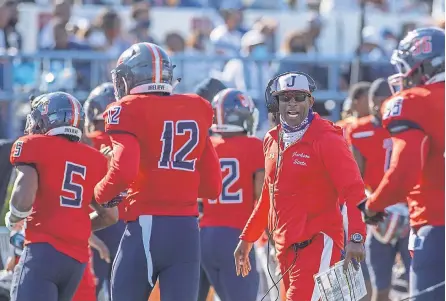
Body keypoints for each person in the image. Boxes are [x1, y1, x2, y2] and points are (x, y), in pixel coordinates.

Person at [93, 42, 222, 301]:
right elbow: (212, 186)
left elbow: (123, 170)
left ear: (129, 78)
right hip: (187, 229)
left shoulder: (127, 108)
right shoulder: (195, 107)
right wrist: (174, 183)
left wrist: (100, 193)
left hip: (147, 226)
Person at [234, 72, 367, 301]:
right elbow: (268, 195)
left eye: (298, 97)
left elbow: (354, 190)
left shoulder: (327, 138)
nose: (292, 103)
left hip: (318, 243)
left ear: (310, 101)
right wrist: (247, 239)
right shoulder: (272, 139)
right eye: (285, 98)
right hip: (285, 250)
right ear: (277, 103)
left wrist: (356, 237)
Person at [5, 92, 119, 301]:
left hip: (42, 252)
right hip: (76, 262)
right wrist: (75, 225)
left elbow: (23, 200)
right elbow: (111, 215)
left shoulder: (33, 145)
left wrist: (13, 218)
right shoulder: (93, 158)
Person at [360, 27, 445, 301]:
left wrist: (374, 205)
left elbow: (402, 175)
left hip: (437, 225)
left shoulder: (414, 102)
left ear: (424, 67)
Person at [346, 78, 411, 301]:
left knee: (417, 284)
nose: (380, 105)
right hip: (378, 212)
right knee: (379, 287)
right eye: (377, 100)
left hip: (409, 210)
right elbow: (356, 178)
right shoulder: (357, 130)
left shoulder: (407, 124)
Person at [200, 88, 262, 301]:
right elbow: (261, 195)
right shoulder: (255, 146)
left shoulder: (206, 146)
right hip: (237, 236)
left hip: (204, 235)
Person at [83, 82, 126, 301]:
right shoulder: (132, 141)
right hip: (131, 225)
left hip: (99, 223)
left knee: (92, 290)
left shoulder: (88, 142)